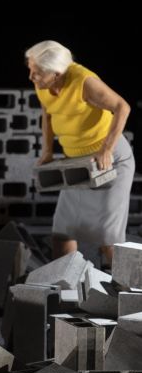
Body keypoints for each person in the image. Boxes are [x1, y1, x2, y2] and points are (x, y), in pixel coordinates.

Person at [25, 40, 135, 267]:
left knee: (108, 236)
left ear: (56, 73)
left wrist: (106, 149)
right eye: (30, 70)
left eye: (36, 73)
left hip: (109, 160)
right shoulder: (44, 85)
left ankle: (132, 294)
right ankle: (66, 290)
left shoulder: (84, 82)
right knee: (63, 231)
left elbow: (122, 107)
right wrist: (47, 151)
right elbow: (47, 115)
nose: (31, 77)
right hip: (76, 164)